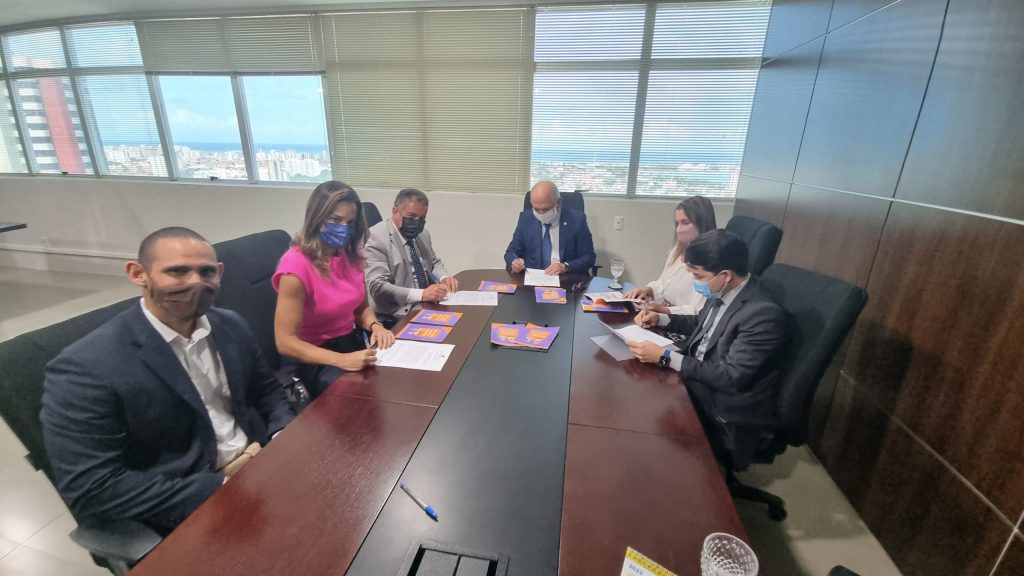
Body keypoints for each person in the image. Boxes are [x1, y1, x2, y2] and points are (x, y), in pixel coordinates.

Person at [41, 227, 296, 535]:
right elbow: (94, 487)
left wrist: (282, 436)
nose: (195, 282)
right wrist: (225, 485)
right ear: (138, 274)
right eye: (177, 271)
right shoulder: (85, 367)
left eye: (206, 272)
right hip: (187, 503)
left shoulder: (231, 325)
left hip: (262, 462)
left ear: (219, 273)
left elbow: (267, 390)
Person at [627, 230, 786, 468]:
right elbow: (702, 322)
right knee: (634, 390)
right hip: (696, 377)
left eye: (697, 275)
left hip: (718, 403)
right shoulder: (724, 288)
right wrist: (661, 319)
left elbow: (730, 377)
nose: (694, 281)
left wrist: (665, 358)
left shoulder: (762, 314)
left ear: (725, 275)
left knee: (642, 425)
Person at [273, 180, 396, 398]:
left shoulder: (351, 255)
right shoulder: (295, 266)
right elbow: (285, 342)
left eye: (350, 222)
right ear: (317, 218)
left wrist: (376, 326)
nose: (343, 228)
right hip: (312, 357)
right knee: (359, 394)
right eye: (335, 220)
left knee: (390, 379)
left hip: (348, 342)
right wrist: (341, 360)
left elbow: (360, 308)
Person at [365, 188, 459, 325]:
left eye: (422, 219)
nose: (416, 223)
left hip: (427, 304)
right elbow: (378, 287)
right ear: (395, 211)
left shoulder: (423, 233)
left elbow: (433, 261)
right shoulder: (375, 238)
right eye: (411, 216)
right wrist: (421, 294)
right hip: (396, 313)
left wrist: (444, 277)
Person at [622, 196, 717, 314]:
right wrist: (648, 290)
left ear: (702, 223)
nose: (678, 230)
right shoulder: (678, 249)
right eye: (677, 224)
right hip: (662, 314)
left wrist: (665, 310)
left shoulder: (709, 260)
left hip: (680, 321)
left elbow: (698, 310)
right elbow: (663, 284)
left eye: (685, 223)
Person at [503, 180, 596, 275]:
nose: (541, 214)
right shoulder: (526, 219)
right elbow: (511, 252)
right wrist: (514, 262)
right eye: (536, 209)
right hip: (533, 277)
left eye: (545, 209)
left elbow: (589, 257)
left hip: (565, 277)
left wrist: (566, 266)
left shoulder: (576, 220)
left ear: (558, 202)